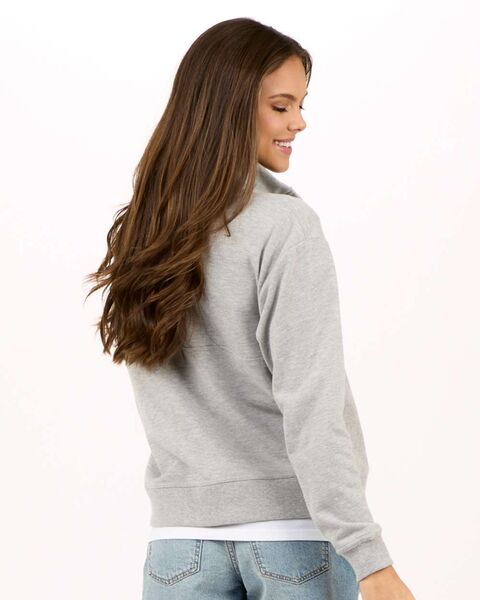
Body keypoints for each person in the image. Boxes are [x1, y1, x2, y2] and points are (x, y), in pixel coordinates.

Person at [84, 17, 416, 600]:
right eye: (281, 106)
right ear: (230, 107)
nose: (299, 122)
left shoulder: (148, 231)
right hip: (293, 544)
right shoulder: (284, 227)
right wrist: (371, 559)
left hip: (177, 549)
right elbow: (311, 407)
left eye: (300, 105)